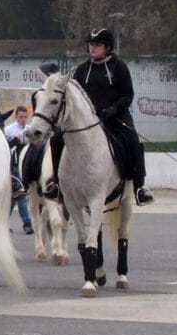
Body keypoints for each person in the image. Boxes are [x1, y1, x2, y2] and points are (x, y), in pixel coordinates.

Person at [44, 28, 154, 206]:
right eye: (91, 44)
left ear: (108, 47)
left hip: (115, 117)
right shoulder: (81, 70)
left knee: (132, 140)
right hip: (88, 121)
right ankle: (56, 184)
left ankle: (139, 187)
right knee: (56, 139)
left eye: (97, 45)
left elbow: (127, 95)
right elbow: (74, 97)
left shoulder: (119, 68)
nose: (93, 48)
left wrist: (112, 110)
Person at [4, 106, 34, 234]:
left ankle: (3, 223)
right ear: (16, 117)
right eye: (20, 117)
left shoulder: (30, 129)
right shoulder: (9, 130)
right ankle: (27, 223)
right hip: (14, 165)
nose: (23, 119)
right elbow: (5, 147)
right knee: (20, 193)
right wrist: (15, 139)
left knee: (15, 196)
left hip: (26, 164)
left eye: (25, 117)